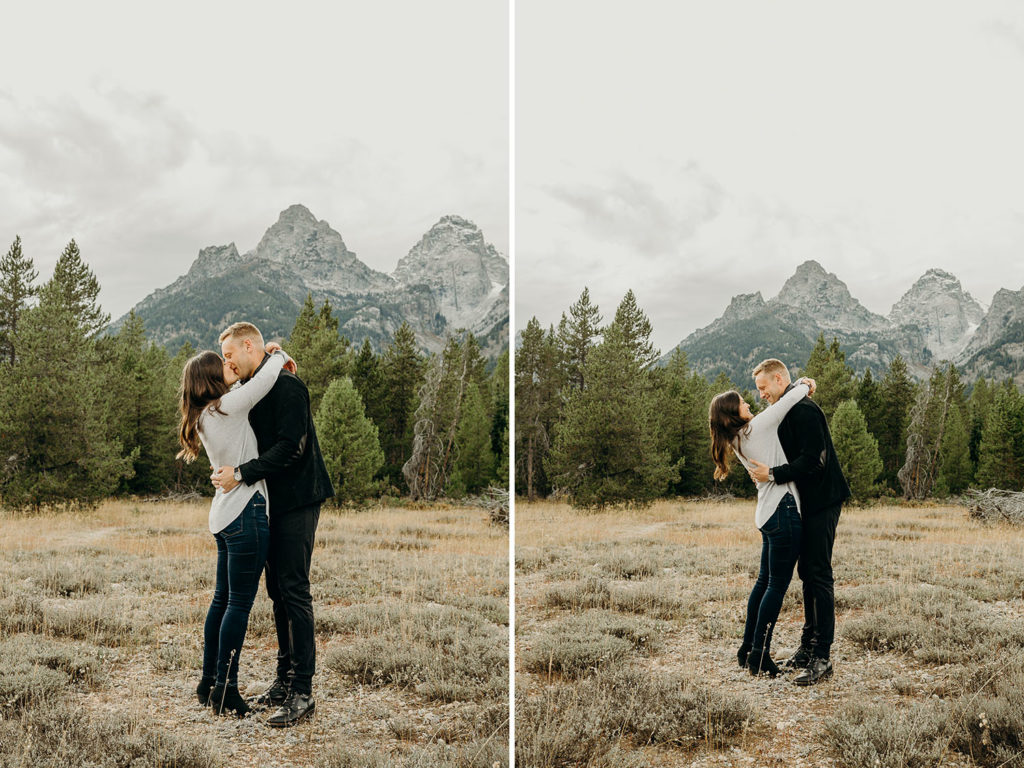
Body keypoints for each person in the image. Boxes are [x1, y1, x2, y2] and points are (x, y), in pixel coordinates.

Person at [211, 322, 334, 727]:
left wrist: (242, 473)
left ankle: (303, 691)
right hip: (269, 505)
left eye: (230, 354)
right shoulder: (256, 388)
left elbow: (292, 448)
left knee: (295, 590)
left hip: (299, 499)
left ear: (250, 346)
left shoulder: (288, 387)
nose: (227, 362)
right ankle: (283, 680)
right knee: (277, 593)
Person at [177, 345, 290, 716]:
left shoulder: (205, 414)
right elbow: (269, 377)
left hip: (224, 517)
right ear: (211, 378)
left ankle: (209, 682)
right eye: (221, 363)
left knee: (222, 601)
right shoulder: (227, 405)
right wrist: (274, 352)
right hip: (245, 511)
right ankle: (227, 690)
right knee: (238, 604)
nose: (229, 365)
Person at [748, 358, 851, 686]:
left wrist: (773, 475)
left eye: (764, 388)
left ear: (779, 379)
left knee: (819, 575)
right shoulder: (787, 409)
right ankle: (807, 648)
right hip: (806, 504)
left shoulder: (805, 411)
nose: (761, 394)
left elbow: (814, 461)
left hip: (823, 501)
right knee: (807, 573)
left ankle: (822, 656)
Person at [709, 377, 815, 677]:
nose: (749, 403)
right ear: (733, 413)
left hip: (768, 514)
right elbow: (787, 402)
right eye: (742, 403)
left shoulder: (738, 438)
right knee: (776, 586)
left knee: (764, 583)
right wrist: (805, 384)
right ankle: (759, 654)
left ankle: (747, 649)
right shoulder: (756, 428)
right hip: (782, 511)